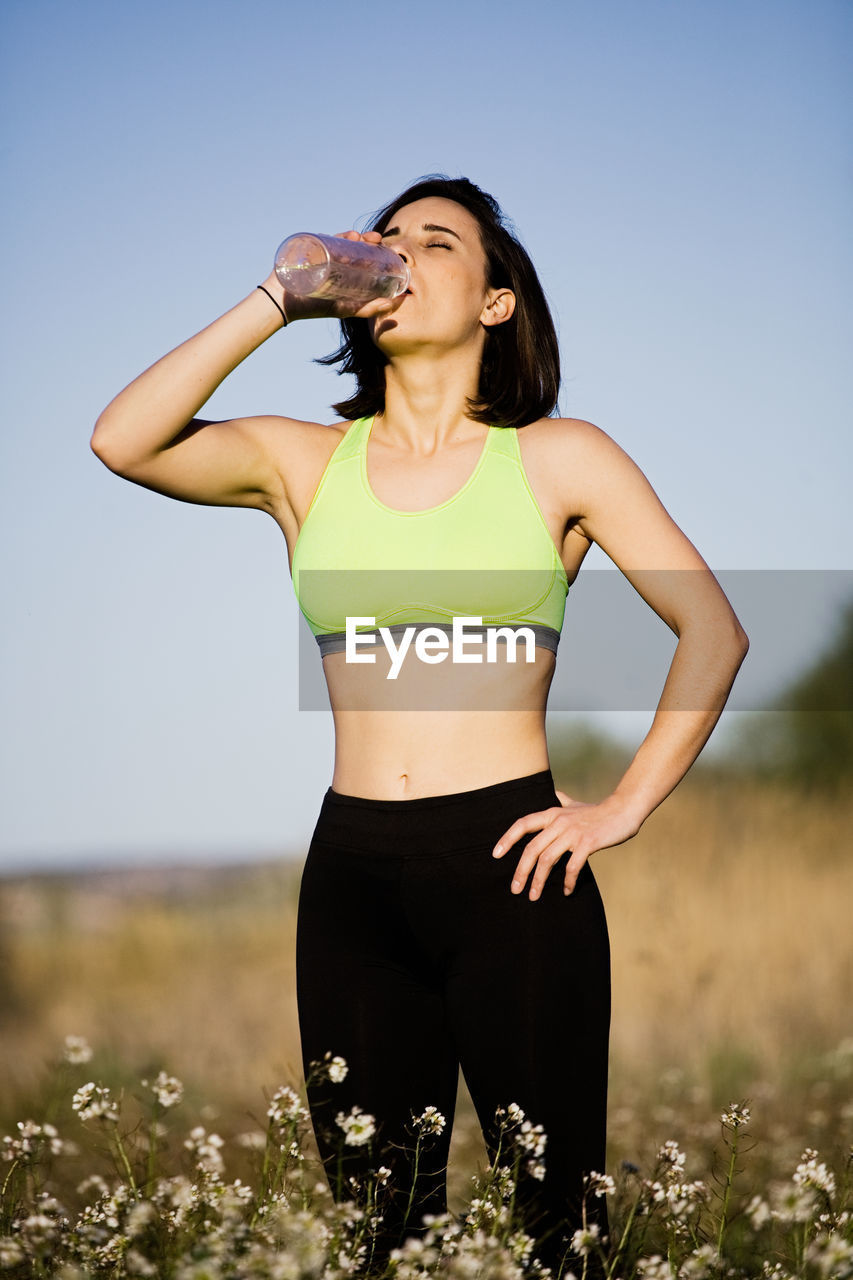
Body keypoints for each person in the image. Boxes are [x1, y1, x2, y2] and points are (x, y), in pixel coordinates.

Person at [91, 175, 749, 1276]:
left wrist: (619, 807)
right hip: (351, 874)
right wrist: (280, 293)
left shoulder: (559, 456)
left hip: (512, 869)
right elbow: (123, 437)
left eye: (435, 243)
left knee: (561, 1236)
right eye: (381, 241)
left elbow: (713, 630)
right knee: (379, 1241)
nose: (396, 256)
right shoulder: (303, 461)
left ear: (496, 302)